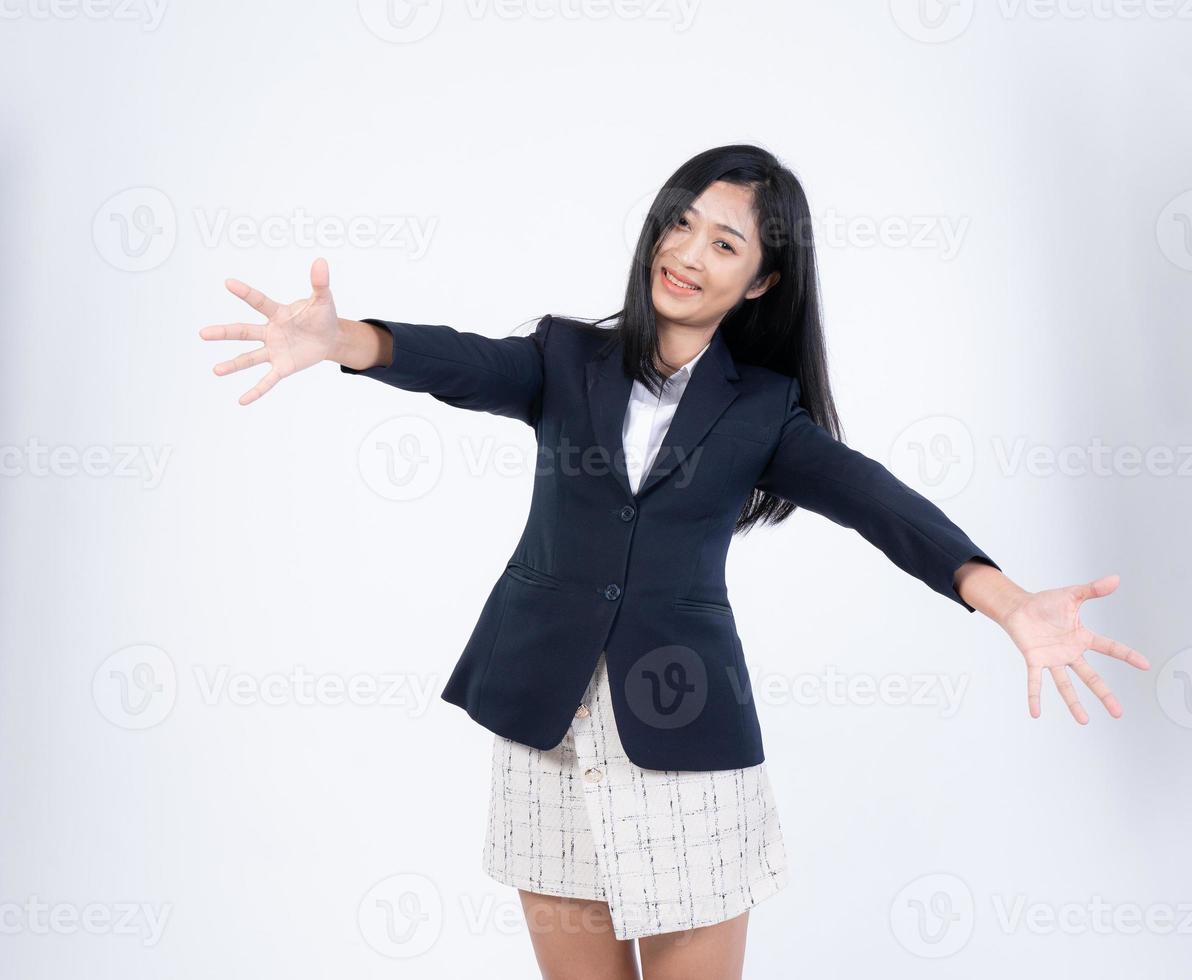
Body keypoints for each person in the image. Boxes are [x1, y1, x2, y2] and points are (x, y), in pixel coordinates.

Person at [200, 144, 1149, 980]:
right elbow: (465, 365)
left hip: (685, 731)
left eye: (726, 244)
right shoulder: (565, 357)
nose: (689, 254)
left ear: (763, 283)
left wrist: (1007, 599)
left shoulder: (762, 409)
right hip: (547, 726)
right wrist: (345, 343)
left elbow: (878, 503)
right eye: (682, 223)